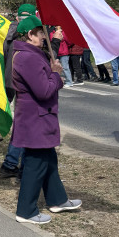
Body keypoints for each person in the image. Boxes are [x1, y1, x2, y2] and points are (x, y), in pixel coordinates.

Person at [11, 16, 81, 224]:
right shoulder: (27, 57)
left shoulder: (31, 54)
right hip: (35, 118)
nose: (44, 37)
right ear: (30, 35)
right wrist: (56, 74)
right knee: (35, 163)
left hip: (39, 117)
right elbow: (43, 91)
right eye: (41, 33)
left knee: (49, 158)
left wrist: (51, 70)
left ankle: (57, 200)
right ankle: (26, 211)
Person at [0, 3, 36, 176]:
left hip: (10, 78)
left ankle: (13, 162)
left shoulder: (8, 33)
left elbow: (6, 55)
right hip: (23, 83)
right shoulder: (27, 38)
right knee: (24, 125)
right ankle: (13, 163)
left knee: (21, 123)